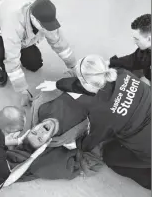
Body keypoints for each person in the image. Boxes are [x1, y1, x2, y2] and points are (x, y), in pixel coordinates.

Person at [36, 54, 151, 189]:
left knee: (109, 156)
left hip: (148, 151)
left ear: (86, 83)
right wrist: (57, 84)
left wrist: (77, 145)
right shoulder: (123, 73)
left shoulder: (103, 112)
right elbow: (86, 85)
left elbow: (93, 140)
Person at [0, 0, 76, 106]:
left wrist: (73, 66)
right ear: (33, 18)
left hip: (20, 36)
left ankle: (17, 51)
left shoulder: (45, 19)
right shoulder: (13, 25)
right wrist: (23, 90)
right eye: (44, 26)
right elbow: (12, 58)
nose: (46, 29)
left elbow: (59, 42)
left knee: (35, 63)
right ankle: (1, 66)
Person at [109, 14, 151, 85]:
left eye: (137, 39)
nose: (134, 42)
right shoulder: (144, 51)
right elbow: (132, 60)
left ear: (149, 39)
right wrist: (109, 62)